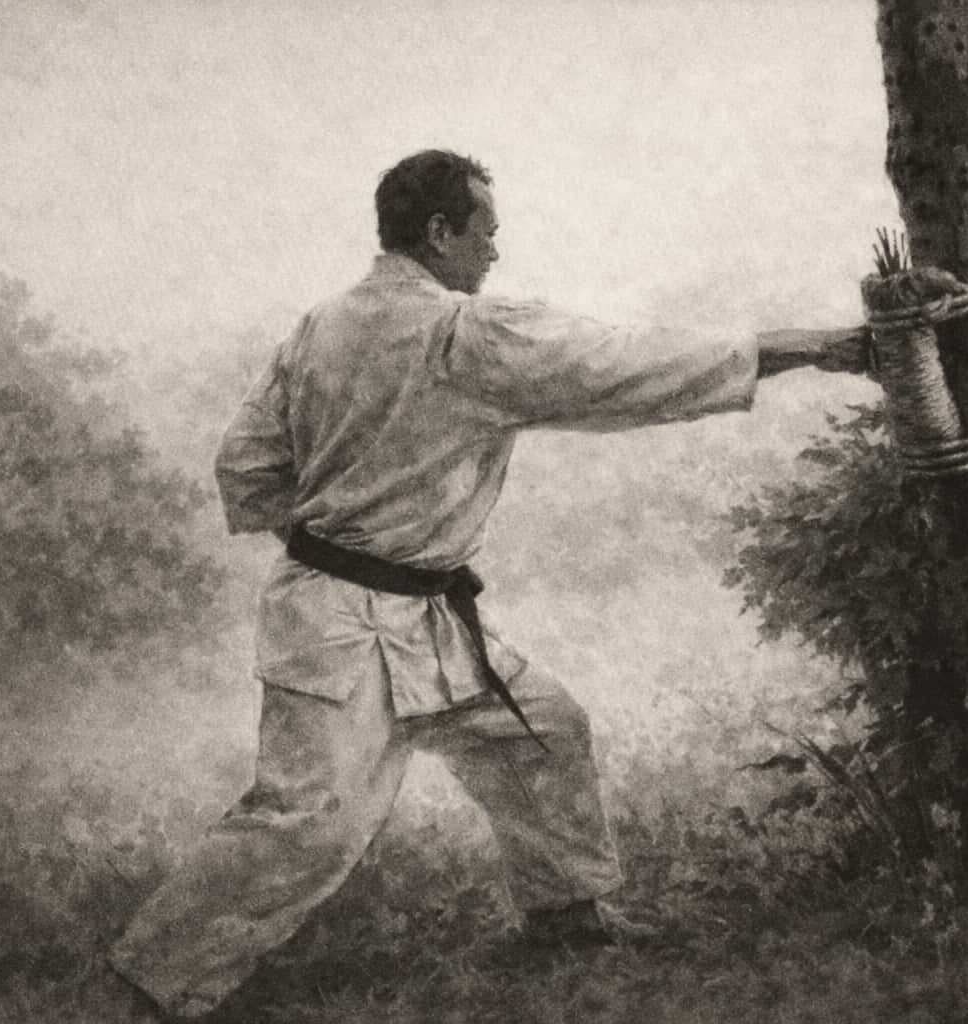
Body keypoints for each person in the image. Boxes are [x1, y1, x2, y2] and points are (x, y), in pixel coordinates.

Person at [109, 149, 868, 1019]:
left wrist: (329, 534)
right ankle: (149, 984)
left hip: (414, 612)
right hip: (343, 628)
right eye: (486, 233)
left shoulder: (321, 324)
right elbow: (629, 366)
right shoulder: (464, 335)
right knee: (308, 823)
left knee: (540, 733)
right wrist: (810, 347)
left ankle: (566, 920)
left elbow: (245, 462)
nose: (495, 253)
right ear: (439, 233)